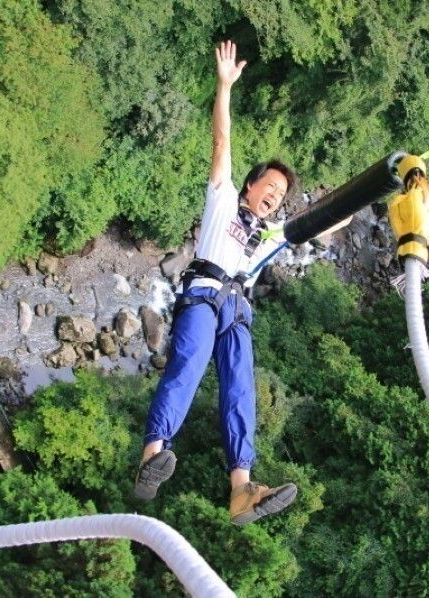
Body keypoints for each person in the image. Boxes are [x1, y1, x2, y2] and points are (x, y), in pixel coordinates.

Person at [133, 40, 301, 525]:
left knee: (240, 390)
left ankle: (242, 489)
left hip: (238, 311)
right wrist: (224, 87)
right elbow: (222, 142)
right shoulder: (224, 200)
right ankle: (152, 456)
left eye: (280, 194)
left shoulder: (270, 236)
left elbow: (322, 224)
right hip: (204, 297)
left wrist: (390, 186)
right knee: (188, 363)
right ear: (250, 185)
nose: (273, 195)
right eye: (268, 185)